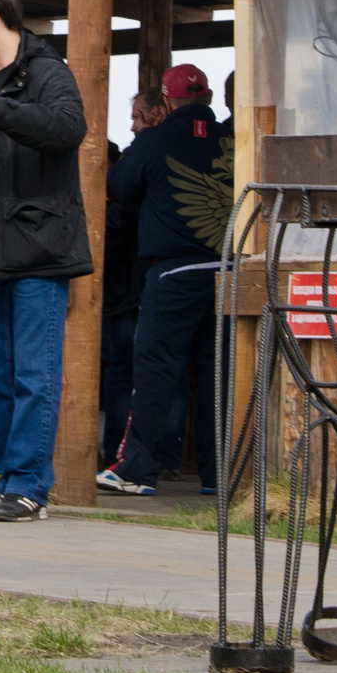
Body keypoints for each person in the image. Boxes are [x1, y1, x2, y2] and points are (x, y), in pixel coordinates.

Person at [0, 0, 91, 523]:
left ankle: (32, 485)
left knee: (35, 371)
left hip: (39, 247)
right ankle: (9, 478)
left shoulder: (47, 70)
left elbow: (68, 128)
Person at [100, 63, 231, 498]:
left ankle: (136, 469)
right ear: (208, 97)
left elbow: (119, 184)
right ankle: (217, 476)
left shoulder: (154, 141)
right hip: (228, 272)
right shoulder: (233, 140)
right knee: (216, 375)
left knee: (155, 369)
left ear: (169, 101)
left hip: (172, 271)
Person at [100, 89, 170, 465]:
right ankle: (165, 459)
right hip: (141, 286)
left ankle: (117, 454)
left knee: (123, 373)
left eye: (137, 117)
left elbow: (115, 232)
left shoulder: (125, 192)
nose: (132, 126)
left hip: (127, 293)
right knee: (166, 369)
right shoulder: (161, 167)